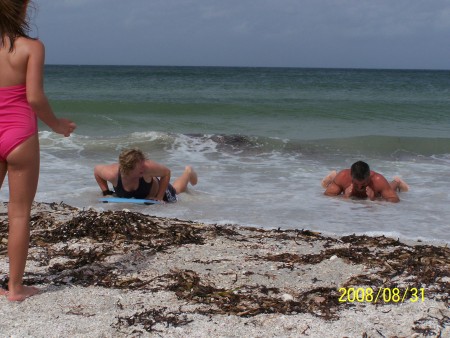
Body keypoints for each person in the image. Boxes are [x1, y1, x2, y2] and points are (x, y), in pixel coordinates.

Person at [0, 1, 76, 301]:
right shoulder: (32, 47)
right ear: (23, 10)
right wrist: (56, 124)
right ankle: (16, 288)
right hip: (20, 137)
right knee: (19, 214)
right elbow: (33, 97)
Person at [94, 148, 198, 202]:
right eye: (140, 167)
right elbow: (97, 171)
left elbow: (166, 173)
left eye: (144, 164)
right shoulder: (113, 174)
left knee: (176, 191)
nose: (144, 168)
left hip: (157, 191)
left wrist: (159, 197)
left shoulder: (147, 168)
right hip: (139, 195)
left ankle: (187, 173)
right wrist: (106, 192)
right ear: (128, 168)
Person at [322, 161, 409, 203]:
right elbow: (327, 195)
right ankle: (332, 179)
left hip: (378, 190)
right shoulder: (343, 176)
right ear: (351, 177)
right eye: (356, 184)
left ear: (369, 177)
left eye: (363, 184)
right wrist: (345, 196)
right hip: (339, 179)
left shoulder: (377, 179)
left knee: (385, 191)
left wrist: (374, 199)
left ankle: (397, 181)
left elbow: (395, 199)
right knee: (329, 186)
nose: (359, 187)